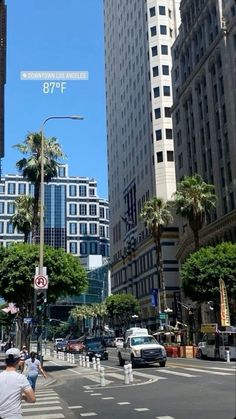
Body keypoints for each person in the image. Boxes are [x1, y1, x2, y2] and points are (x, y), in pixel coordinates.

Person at [0, 348, 35, 419]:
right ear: (18, 361)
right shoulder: (21, 378)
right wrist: (22, 397)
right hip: (14, 415)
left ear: (5, 361)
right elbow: (32, 399)